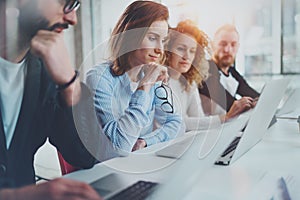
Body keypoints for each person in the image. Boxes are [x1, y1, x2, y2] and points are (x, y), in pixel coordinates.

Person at [0, 0, 102, 199]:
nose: (72, 19)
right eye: (67, 3)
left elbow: (85, 156)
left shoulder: (45, 73)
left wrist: (69, 83)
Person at [86, 1, 182, 153]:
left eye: (163, 40)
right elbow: (119, 146)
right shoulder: (99, 78)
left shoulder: (151, 74)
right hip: (108, 167)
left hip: (139, 161)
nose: (160, 50)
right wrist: (144, 88)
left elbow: (175, 123)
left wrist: (145, 141)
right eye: (152, 38)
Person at [165, 20, 248, 131]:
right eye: (180, 49)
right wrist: (225, 118)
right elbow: (178, 123)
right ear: (168, 50)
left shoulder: (190, 82)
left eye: (192, 51)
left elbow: (199, 119)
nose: (187, 56)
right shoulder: (160, 80)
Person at [199, 24, 259, 113]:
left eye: (233, 44)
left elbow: (252, 94)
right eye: (223, 44)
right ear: (212, 45)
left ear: (238, 47)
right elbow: (230, 104)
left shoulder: (232, 72)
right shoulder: (205, 70)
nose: (228, 50)